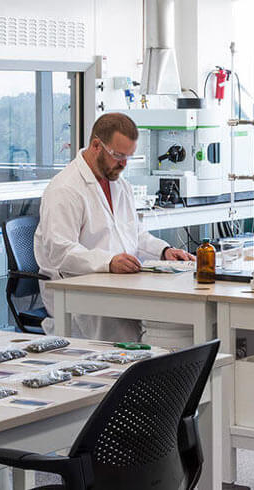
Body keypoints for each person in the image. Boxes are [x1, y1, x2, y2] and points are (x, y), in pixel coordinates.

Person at [35, 113, 194, 340]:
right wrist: (108, 262)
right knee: (120, 354)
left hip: (123, 287)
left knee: (175, 324)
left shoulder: (120, 185)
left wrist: (163, 251)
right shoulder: (65, 189)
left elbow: (135, 235)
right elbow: (60, 253)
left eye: (128, 156)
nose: (124, 164)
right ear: (96, 145)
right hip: (81, 296)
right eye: (118, 155)